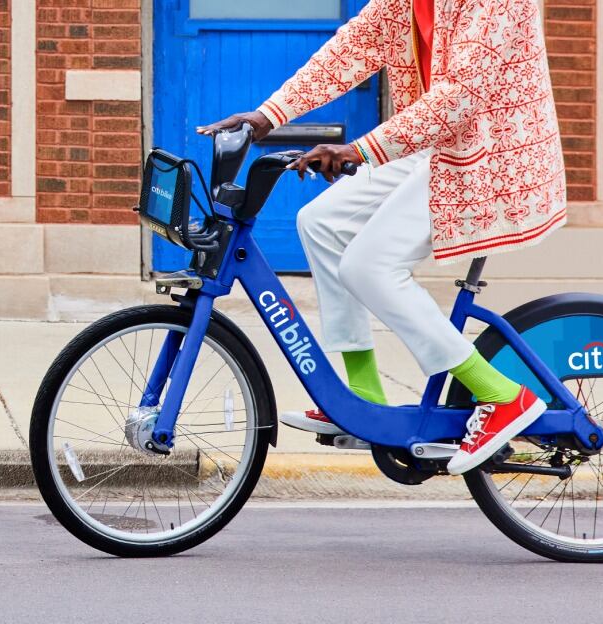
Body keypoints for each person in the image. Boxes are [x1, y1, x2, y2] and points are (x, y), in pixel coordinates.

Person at [197, 0, 568, 474]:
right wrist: (268, 116)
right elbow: (353, 46)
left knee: (369, 266)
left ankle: (501, 394)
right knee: (321, 222)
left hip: (490, 156)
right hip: (436, 147)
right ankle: (362, 399)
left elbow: (460, 97)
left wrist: (359, 149)